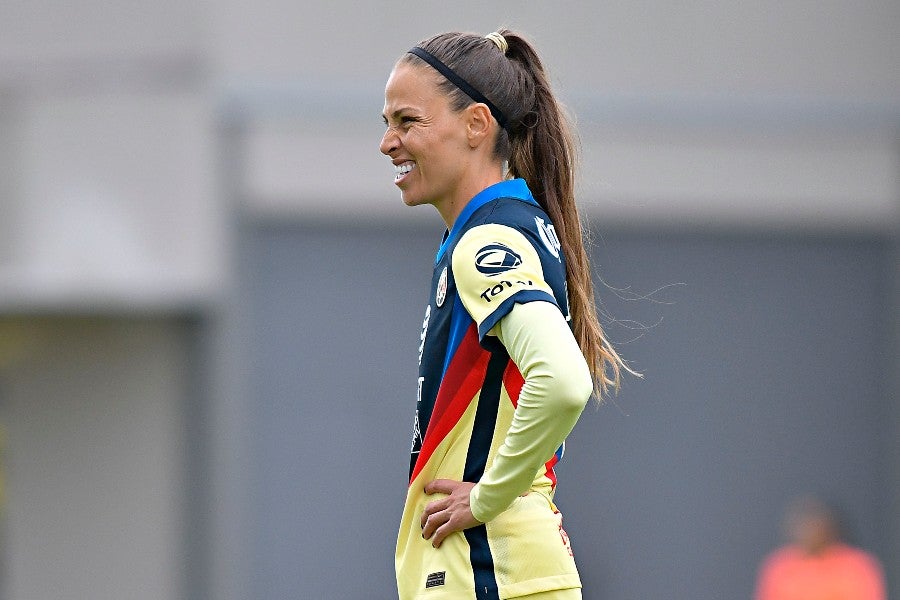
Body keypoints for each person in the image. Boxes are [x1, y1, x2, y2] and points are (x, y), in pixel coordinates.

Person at [379, 29, 631, 600]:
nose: (388, 143)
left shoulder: (486, 240)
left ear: (476, 125)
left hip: (489, 573)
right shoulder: (506, 226)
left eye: (406, 121)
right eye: (386, 123)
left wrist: (488, 497)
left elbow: (564, 380)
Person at [754, 496, 887, 600]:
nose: (807, 532)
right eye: (802, 526)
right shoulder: (780, 565)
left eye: (814, 525)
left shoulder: (856, 565)